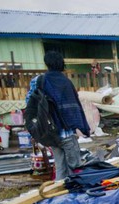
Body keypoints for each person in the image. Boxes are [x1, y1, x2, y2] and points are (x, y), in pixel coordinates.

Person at [25, 51, 90, 180]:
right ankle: (74, 195)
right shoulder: (66, 82)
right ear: (61, 63)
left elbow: (30, 103)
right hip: (67, 133)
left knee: (60, 168)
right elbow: (74, 106)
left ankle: (59, 196)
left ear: (46, 63)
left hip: (51, 132)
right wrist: (81, 127)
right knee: (75, 169)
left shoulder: (39, 81)